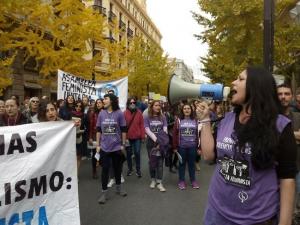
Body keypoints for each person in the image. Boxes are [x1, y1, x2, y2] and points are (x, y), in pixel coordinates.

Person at [201, 66, 297, 225]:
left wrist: (285, 222)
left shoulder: (280, 126)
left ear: (256, 86)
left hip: (257, 218)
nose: (233, 83)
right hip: (217, 212)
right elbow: (209, 156)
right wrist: (204, 120)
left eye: (240, 79)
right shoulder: (227, 119)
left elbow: (287, 178)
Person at [96, 93, 127, 204]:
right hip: (104, 147)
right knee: (105, 170)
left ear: (112, 101)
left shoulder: (119, 113)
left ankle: (119, 188)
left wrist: (122, 144)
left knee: (117, 169)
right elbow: (98, 130)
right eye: (103, 99)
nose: (103, 101)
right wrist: (98, 145)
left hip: (116, 147)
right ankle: (104, 193)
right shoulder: (101, 113)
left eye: (105, 99)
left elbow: (123, 129)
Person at [277, 83, 300, 212]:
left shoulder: (297, 116)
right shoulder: (269, 117)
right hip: (272, 169)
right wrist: (294, 136)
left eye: (286, 94)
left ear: (291, 96)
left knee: (290, 204)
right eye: (280, 94)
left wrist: (282, 136)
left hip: (296, 167)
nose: (283, 97)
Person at [173, 103, 200, 190]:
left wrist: (199, 147)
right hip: (182, 147)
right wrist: (174, 147)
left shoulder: (195, 120)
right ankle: (181, 181)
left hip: (192, 146)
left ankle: (193, 181)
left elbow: (199, 134)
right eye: (185, 108)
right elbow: (174, 134)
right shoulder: (179, 120)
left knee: (192, 164)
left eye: (188, 108)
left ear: (191, 110)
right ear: (182, 110)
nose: (187, 110)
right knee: (182, 164)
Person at [144, 100, 168, 192]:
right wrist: (156, 140)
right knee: (152, 162)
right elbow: (147, 130)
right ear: (152, 107)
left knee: (160, 164)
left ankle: (159, 182)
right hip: (151, 143)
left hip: (161, 143)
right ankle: (153, 180)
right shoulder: (147, 117)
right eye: (156, 105)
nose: (158, 107)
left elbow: (165, 129)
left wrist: (161, 142)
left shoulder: (163, 117)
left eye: (159, 105)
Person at [124, 97, 145, 178]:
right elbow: (123, 126)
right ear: (128, 104)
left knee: (137, 152)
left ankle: (138, 169)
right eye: (131, 103)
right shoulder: (124, 113)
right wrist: (123, 138)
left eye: (134, 103)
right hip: (128, 137)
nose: (132, 104)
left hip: (137, 137)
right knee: (128, 154)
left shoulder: (139, 112)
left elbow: (142, 125)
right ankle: (130, 169)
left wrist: (143, 136)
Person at [88, 99, 103, 179]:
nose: (98, 104)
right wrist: (90, 137)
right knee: (94, 154)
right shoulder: (93, 114)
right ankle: (94, 171)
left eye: (100, 103)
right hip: (94, 136)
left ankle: (104, 170)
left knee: (103, 154)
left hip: (104, 137)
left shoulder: (106, 113)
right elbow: (91, 126)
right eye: (97, 103)